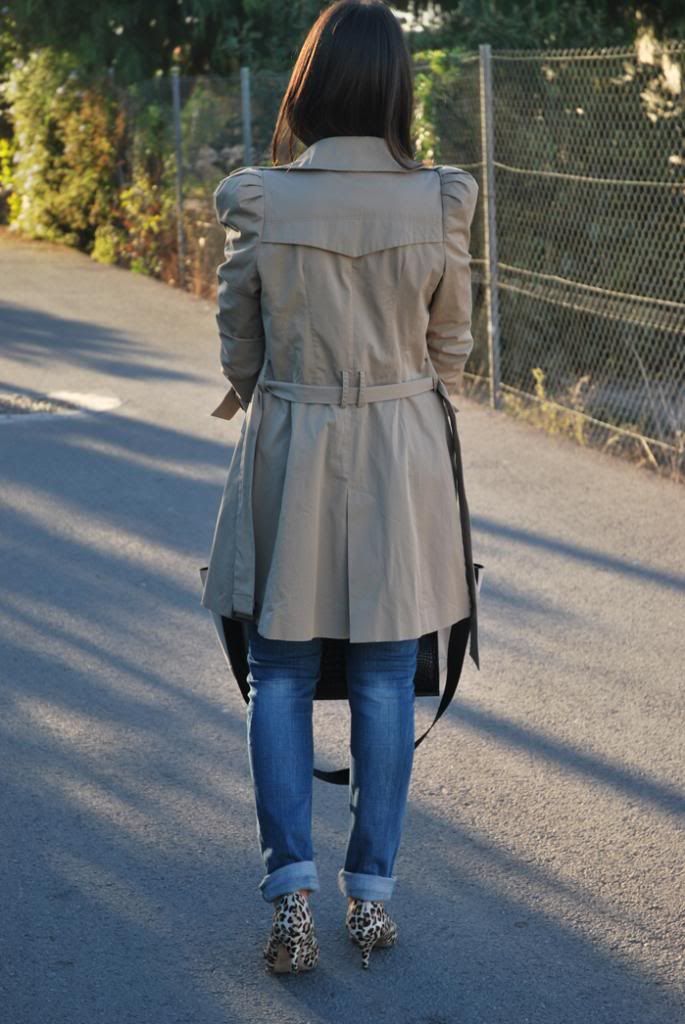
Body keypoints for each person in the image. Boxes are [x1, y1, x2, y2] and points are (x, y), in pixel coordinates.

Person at [200, 0, 479, 973]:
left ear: (309, 87)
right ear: (397, 87)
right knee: (380, 674)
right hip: (399, 448)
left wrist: (265, 383)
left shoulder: (263, 197)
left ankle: (290, 897)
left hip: (290, 438)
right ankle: (372, 897)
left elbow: (239, 328)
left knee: (276, 671)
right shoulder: (442, 199)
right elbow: (452, 348)